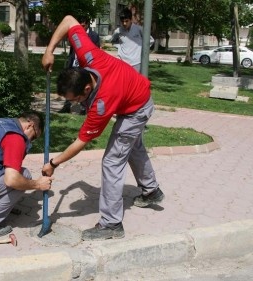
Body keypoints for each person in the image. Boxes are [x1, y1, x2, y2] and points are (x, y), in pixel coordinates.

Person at [41, 15, 164, 241]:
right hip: (133, 97)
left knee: (112, 160)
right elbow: (68, 20)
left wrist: (53, 163)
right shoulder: (89, 56)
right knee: (132, 148)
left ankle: (111, 224)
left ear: (87, 89)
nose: (76, 104)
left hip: (137, 110)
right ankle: (151, 191)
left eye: (76, 99)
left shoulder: (101, 105)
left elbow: (80, 142)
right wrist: (49, 50)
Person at [59, 15, 100, 114]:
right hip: (75, 63)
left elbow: (97, 51)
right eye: (80, 25)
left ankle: (83, 108)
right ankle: (67, 106)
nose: (81, 28)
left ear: (87, 25)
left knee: (83, 86)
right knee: (69, 84)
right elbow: (72, 50)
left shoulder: (93, 36)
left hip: (86, 65)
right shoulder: (75, 34)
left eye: (83, 26)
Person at [111, 7, 152, 72]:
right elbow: (113, 41)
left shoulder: (139, 29)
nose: (124, 23)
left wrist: (142, 49)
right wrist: (119, 46)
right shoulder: (118, 31)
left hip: (136, 63)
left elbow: (150, 40)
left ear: (131, 20)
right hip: (123, 62)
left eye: (126, 21)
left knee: (136, 81)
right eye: (122, 21)